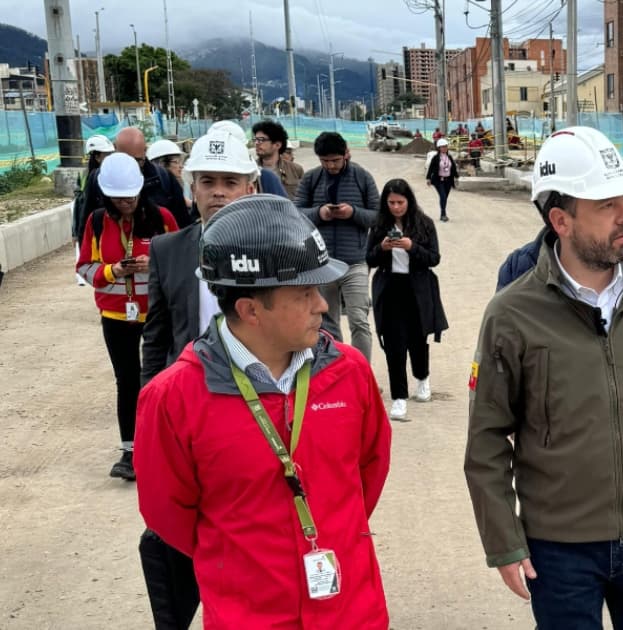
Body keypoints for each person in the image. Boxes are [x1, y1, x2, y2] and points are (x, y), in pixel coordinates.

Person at [464, 126, 623, 630]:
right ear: (561, 220)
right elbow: (487, 439)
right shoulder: (511, 314)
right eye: (606, 204)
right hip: (558, 552)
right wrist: (504, 542)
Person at [135, 194, 391, 628]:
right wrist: (245, 564)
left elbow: (369, 471)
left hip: (351, 612)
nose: (323, 306)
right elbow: (169, 514)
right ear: (250, 309)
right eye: (306, 293)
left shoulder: (350, 374)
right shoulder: (174, 398)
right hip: (247, 615)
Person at [137, 129, 260, 630]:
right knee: (177, 531)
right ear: (191, 188)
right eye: (207, 181)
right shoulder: (168, 250)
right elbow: (156, 335)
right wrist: (149, 407)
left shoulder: (280, 249)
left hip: (255, 413)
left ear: (251, 188)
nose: (218, 192)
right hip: (189, 413)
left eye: (230, 181)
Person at [75, 153, 179, 480]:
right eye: (119, 198)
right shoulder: (95, 222)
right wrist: (114, 270)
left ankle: (167, 447)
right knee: (128, 381)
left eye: (131, 196)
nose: (127, 202)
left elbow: (182, 256)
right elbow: (85, 269)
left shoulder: (162, 218)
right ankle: (130, 450)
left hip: (157, 314)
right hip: (115, 316)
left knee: (163, 379)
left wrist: (156, 262)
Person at [366, 178, 448, 421]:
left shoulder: (424, 224)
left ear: (409, 201)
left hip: (417, 289)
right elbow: (369, 259)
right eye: (391, 202)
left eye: (400, 202)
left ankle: (422, 377)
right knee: (394, 345)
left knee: (417, 339)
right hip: (390, 289)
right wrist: (382, 248)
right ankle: (399, 398)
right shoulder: (379, 225)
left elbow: (434, 258)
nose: (396, 207)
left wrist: (411, 246)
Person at [296, 131, 380, 360]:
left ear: (346, 154)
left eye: (335, 160)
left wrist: (352, 213)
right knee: (326, 323)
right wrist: (320, 213)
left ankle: (362, 373)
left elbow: (378, 216)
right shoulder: (311, 179)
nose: (331, 165)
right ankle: (336, 370)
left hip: (356, 262)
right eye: (325, 161)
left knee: (359, 320)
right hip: (322, 263)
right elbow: (296, 214)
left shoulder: (362, 177)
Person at [77, 127, 192, 233]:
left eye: (137, 161)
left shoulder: (164, 179)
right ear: (115, 149)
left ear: (145, 151)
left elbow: (182, 225)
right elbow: (86, 227)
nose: (131, 167)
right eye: (126, 160)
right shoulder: (98, 179)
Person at [73, 135, 116, 285]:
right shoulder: (93, 177)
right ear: (97, 156)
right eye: (107, 155)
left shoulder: (97, 175)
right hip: (100, 228)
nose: (111, 158)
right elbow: (82, 208)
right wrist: (78, 234)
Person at [208, 120, 289, 198]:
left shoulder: (265, 178)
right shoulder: (265, 176)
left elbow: (284, 209)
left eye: (231, 183)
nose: (218, 193)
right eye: (208, 182)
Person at [253, 119, 305, 199]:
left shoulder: (296, 170)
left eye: (261, 140)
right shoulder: (250, 171)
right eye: (255, 139)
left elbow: (304, 199)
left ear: (277, 145)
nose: (256, 143)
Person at [425, 138, 458, 223]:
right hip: (439, 180)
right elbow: (431, 168)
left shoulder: (449, 157)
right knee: (443, 196)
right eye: (442, 147)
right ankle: (443, 214)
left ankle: (443, 213)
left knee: (445, 198)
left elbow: (453, 168)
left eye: (446, 146)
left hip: (448, 181)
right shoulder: (436, 158)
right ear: (439, 148)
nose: (444, 148)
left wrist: (456, 177)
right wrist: (428, 178)